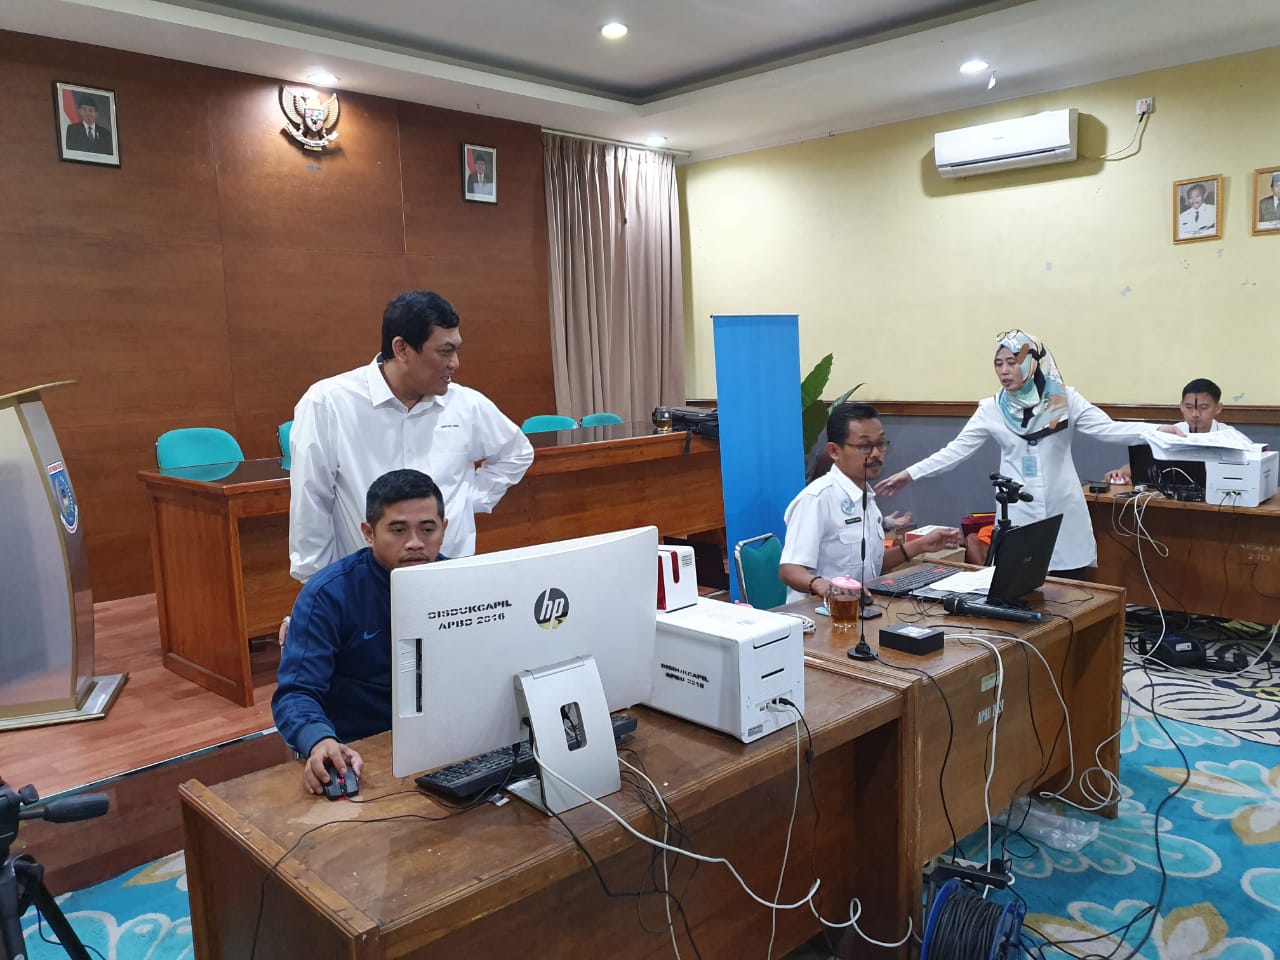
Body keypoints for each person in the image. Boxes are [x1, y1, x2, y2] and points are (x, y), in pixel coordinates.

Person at [875, 331, 1180, 580]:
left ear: (1033, 362)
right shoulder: (991, 408)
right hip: (1018, 511)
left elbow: (1108, 430)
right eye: (999, 363)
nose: (1005, 371)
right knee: (1020, 586)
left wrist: (1155, 431)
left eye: (1013, 362)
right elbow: (955, 451)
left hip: (1064, 507)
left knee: (1070, 586)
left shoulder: (1065, 399)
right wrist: (909, 474)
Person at [289, 289, 533, 583]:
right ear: (402, 349)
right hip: (365, 584)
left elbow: (516, 453)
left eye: (457, 350)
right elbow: (311, 500)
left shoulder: (466, 404)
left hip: (450, 575)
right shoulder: (329, 403)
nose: (455, 363)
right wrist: (315, 586)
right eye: (444, 351)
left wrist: (468, 500)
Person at [273, 469, 447, 796]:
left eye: (428, 529)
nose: (415, 543)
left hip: (442, 744)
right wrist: (320, 739)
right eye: (397, 530)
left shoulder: (462, 582)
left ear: (444, 529)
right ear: (368, 533)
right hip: (356, 751)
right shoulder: (328, 595)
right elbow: (296, 693)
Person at [779, 402, 962, 603]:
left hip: (862, 609)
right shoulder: (817, 499)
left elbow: (871, 565)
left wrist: (921, 545)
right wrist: (823, 586)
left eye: (881, 444)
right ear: (834, 451)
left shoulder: (866, 496)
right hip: (820, 614)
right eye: (865, 446)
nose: (876, 453)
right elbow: (789, 570)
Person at [1104, 378, 1252, 484]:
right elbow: (1146, 464)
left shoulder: (1232, 437)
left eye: (1203, 408)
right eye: (1189, 407)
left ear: (1218, 408)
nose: (1195, 414)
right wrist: (1120, 473)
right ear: (1181, 406)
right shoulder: (1172, 433)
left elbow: (1253, 470)